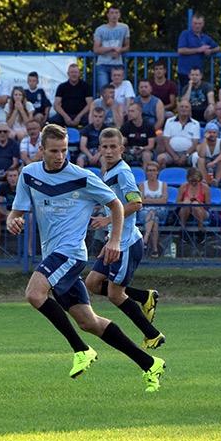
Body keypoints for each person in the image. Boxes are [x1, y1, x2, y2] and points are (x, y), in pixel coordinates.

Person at [6, 124, 165, 391]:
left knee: (34, 293)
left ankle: (81, 350)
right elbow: (17, 211)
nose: (60, 156)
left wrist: (114, 241)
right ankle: (150, 363)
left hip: (71, 253)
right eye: (54, 151)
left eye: (64, 150)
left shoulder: (82, 177)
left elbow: (116, 204)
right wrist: (13, 221)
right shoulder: (29, 174)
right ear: (41, 149)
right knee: (89, 322)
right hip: (53, 253)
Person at [84, 128, 165, 349]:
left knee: (115, 294)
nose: (109, 151)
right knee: (92, 283)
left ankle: (153, 335)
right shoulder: (108, 172)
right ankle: (145, 297)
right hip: (116, 240)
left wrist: (107, 220)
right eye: (105, 147)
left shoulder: (122, 173)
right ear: (99, 149)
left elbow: (136, 203)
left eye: (113, 147)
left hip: (126, 243)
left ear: (122, 148)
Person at [176, 14, 220, 88]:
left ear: (203, 24)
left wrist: (210, 51)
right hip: (185, 72)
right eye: (195, 23)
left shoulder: (205, 37)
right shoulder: (185, 34)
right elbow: (181, 50)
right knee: (185, 93)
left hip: (198, 74)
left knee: (198, 94)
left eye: (199, 23)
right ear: (191, 23)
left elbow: (218, 48)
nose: (197, 26)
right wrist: (199, 50)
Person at [92, 6, 131, 91]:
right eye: (112, 13)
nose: (114, 15)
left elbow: (127, 46)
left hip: (117, 64)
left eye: (116, 13)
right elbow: (96, 49)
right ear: (108, 15)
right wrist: (112, 48)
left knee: (119, 91)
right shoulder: (100, 29)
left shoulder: (124, 28)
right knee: (104, 91)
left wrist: (120, 50)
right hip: (102, 64)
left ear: (119, 15)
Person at [157, 99, 200, 168]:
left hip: (188, 154)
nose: (184, 109)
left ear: (190, 110)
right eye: (181, 106)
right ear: (177, 109)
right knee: (160, 158)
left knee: (197, 157)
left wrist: (186, 155)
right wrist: (174, 156)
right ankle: (163, 174)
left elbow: (195, 144)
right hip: (171, 153)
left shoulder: (196, 123)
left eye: (186, 107)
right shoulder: (169, 121)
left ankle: (194, 174)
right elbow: (166, 142)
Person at [139, 162, 168, 259]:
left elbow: (164, 201)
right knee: (154, 219)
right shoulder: (142, 185)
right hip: (144, 212)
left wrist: (148, 200)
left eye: (154, 170)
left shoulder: (163, 185)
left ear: (157, 172)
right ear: (146, 172)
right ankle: (155, 250)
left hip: (160, 211)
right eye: (149, 170)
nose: (151, 173)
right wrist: (156, 201)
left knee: (152, 212)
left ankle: (145, 240)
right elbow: (141, 200)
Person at [50, 63, 92, 128]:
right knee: (52, 121)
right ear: (68, 74)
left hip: (82, 115)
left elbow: (90, 104)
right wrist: (65, 117)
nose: (74, 74)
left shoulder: (86, 86)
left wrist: (79, 117)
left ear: (79, 74)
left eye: (76, 72)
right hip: (65, 114)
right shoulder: (62, 87)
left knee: (91, 121)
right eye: (72, 72)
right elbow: (56, 105)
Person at [0, 167, 20, 256]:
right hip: (8, 212)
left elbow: (29, 205)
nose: (12, 178)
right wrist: (8, 214)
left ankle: (29, 249)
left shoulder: (23, 186)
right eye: (10, 176)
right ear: (6, 178)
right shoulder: (3, 186)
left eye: (15, 176)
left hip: (21, 213)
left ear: (19, 177)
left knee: (31, 217)